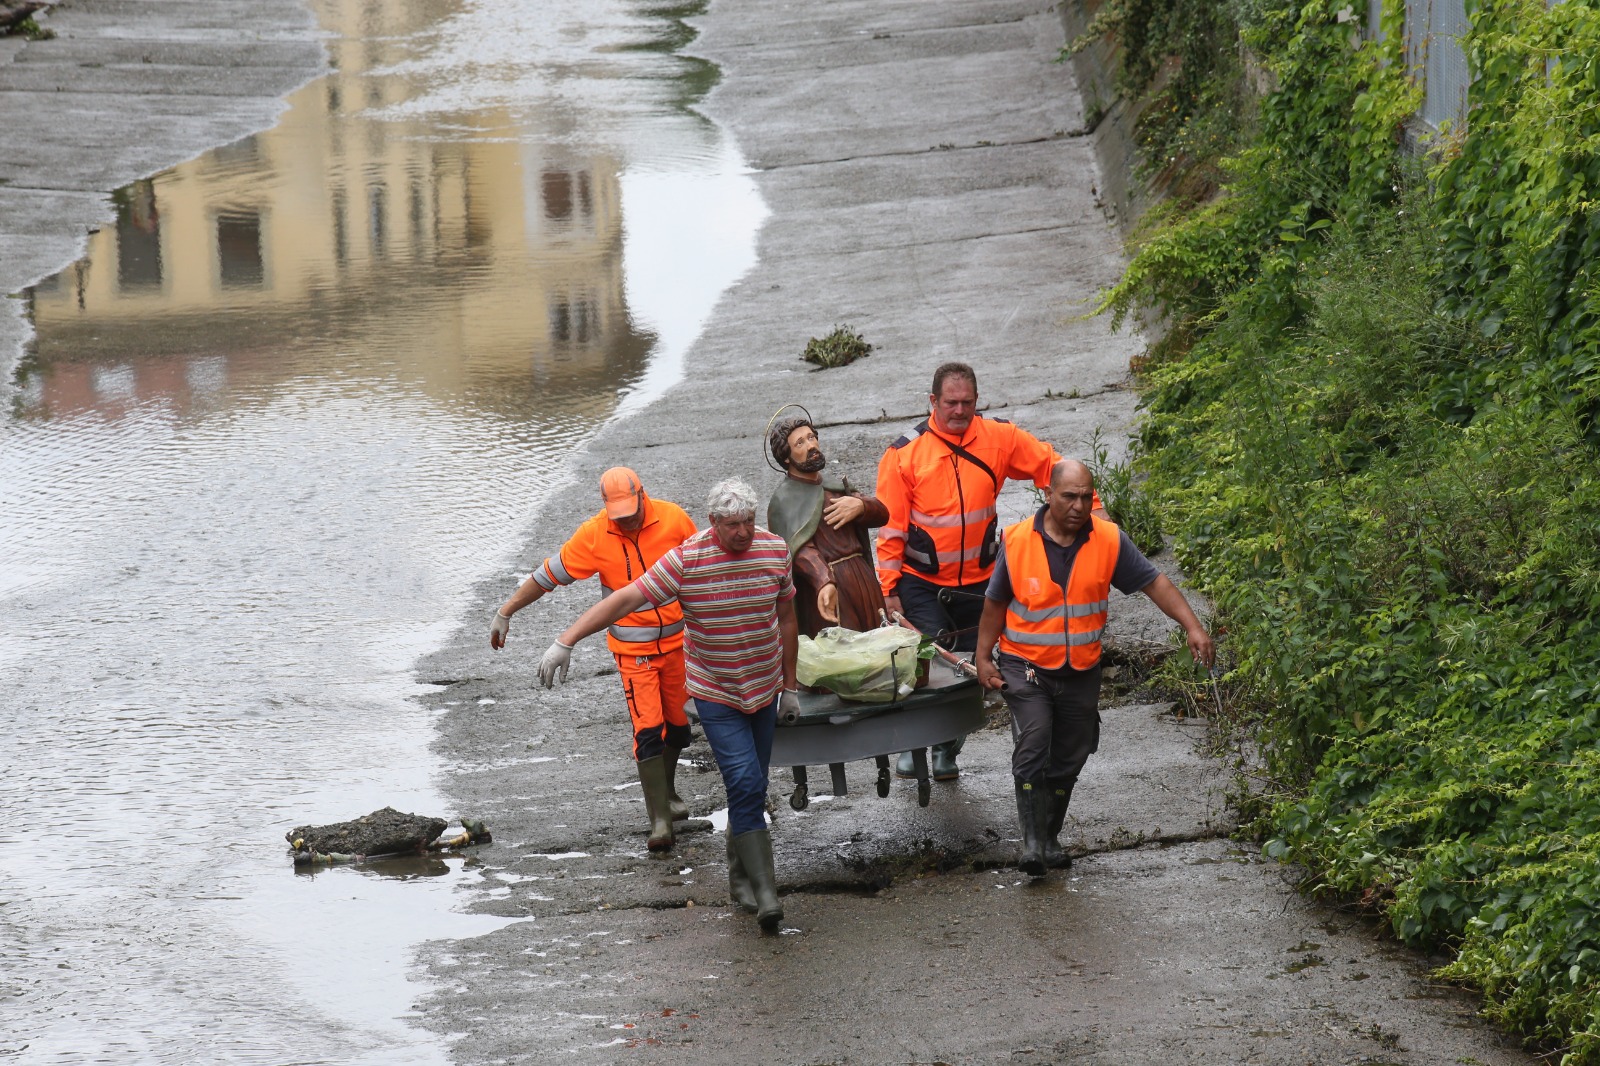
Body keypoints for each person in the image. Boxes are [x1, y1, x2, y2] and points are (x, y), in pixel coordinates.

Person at [538, 478, 800, 932]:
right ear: (713, 522)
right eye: (733, 525)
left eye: (748, 523)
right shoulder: (687, 560)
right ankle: (767, 894)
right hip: (715, 691)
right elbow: (626, 598)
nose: (743, 532)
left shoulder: (774, 550)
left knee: (752, 786)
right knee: (740, 778)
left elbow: (788, 617)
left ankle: (741, 879)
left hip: (763, 686)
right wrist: (567, 640)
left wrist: (791, 686)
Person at [975, 459, 1214, 877]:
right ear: (1047, 495)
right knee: (1034, 740)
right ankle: (1031, 844)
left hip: (1081, 668)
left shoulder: (1108, 540)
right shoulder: (1016, 542)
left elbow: (1154, 582)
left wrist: (1193, 625)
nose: (1079, 505)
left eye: (1087, 496)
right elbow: (995, 603)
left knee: (1071, 754)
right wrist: (981, 657)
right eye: (1069, 496)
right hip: (1026, 665)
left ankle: (1049, 838)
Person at [875, 362, 1101, 780]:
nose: (959, 411)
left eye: (967, 403)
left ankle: (945, 749)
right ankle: (917, 745)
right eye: (950, 403)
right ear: (932, 402)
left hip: (981, 580)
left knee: (974, 667)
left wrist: (1097, 521)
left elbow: (1053, 467)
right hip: (921, 582)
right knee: (931, 664)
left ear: (977, 402)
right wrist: (889, 588)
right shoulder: (903, 454)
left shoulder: (999, 437)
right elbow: (890, 529)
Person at [489, 467, 698, 852]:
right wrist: (507, 611)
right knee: (648, 731)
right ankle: (660, 821)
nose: (627, 520)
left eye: (632, 511)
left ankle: (666, 791)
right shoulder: (595, 534)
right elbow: (547, 575)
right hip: (633, 654)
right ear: (605, 507)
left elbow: (706, 568)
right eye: (618, 514)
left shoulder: (673, 519)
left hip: (679, 647)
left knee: (680, 729)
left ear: (643, 495)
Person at [765, 413, 889, 636]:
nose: (811, 445)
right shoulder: (783, 501)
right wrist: (823, 579)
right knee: (844, 652)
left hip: (862, 578)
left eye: (811, 437)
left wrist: (861, 506)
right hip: (828, 588)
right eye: (800, 442)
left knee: (877, 643)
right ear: (786, 457)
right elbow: (797, 550)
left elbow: (882, 514)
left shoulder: (835, 485)